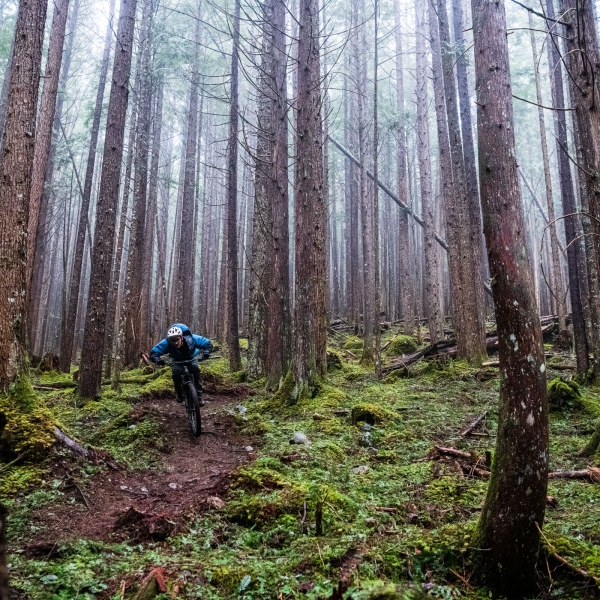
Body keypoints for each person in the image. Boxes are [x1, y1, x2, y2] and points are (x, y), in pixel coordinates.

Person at [150, 324, 213, 405]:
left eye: (177, 339)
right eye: (173, 340)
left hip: (191, 356)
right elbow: (154, 352)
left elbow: (207, 343)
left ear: (182, 337)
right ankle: (179, 393)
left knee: (195, 370)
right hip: (176, 359)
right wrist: (157, 360)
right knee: (176, 373)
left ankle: (199, 395)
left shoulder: (192, 339)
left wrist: (206, 352)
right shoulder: (167, 342)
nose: (175, 343)